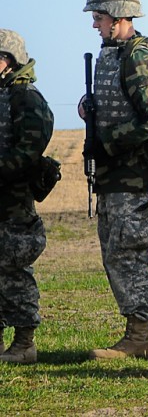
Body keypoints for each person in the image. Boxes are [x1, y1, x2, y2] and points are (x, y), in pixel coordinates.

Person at [81, 0, 148, 360]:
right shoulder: (113, 56)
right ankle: (134, 332)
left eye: (100, 17)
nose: (96, 25)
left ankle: (139, 336)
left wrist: (109, 141)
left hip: (132, 174)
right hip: (113, 176)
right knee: (114, 253)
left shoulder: (140, 58)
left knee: (129, 252)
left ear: (120, 16)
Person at [0, 30, 55, 365]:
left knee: (14, 269)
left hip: (13, 200)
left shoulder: (25, 97)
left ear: (8, 60)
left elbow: (30, 149)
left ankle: (24, 343)